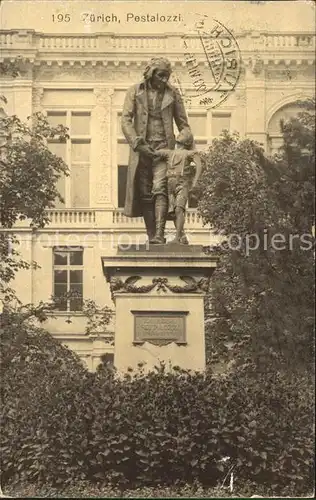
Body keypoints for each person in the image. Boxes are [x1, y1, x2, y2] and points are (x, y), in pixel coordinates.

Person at [121, 57, 190, 244]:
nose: (164, 80)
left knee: (160, 189)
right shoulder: (135, 92)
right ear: (151, 74)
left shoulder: (173, 94)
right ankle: (152, 236)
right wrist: (136, 142)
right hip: (141, 149)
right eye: (160, 76)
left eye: (166, 76)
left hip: (164, 149)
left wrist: (185, 140)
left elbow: (184, 125)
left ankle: (160, 234)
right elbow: (126, 120)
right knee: (145, 193)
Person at [154, 128, 202, 244]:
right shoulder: (169, 153)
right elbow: (154, 152)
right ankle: (183, 237)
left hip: (182, 184)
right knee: (174, 212)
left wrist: (195, 182)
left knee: (179, 209)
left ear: (187, 141)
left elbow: (199, 165)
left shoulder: (190, 153)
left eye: (183, 134)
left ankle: (177, 238)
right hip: (170, 186)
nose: (179, 134)